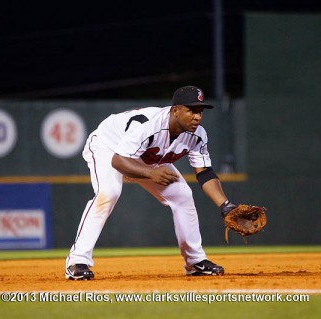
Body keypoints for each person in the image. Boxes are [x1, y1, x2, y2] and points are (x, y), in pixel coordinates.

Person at [65, 85, 236, 280]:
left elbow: (204, 172)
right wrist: (149, 173)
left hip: (144, 159)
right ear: (175, 110)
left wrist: (225, 206)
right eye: (191, 110)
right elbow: (118, 161)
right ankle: (77, 261)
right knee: (109, 193)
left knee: (183, 195)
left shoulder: (197, 135)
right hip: (109, 146)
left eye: (200, 111)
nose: (197, 116)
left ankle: (195, 261)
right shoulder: (149, 126)